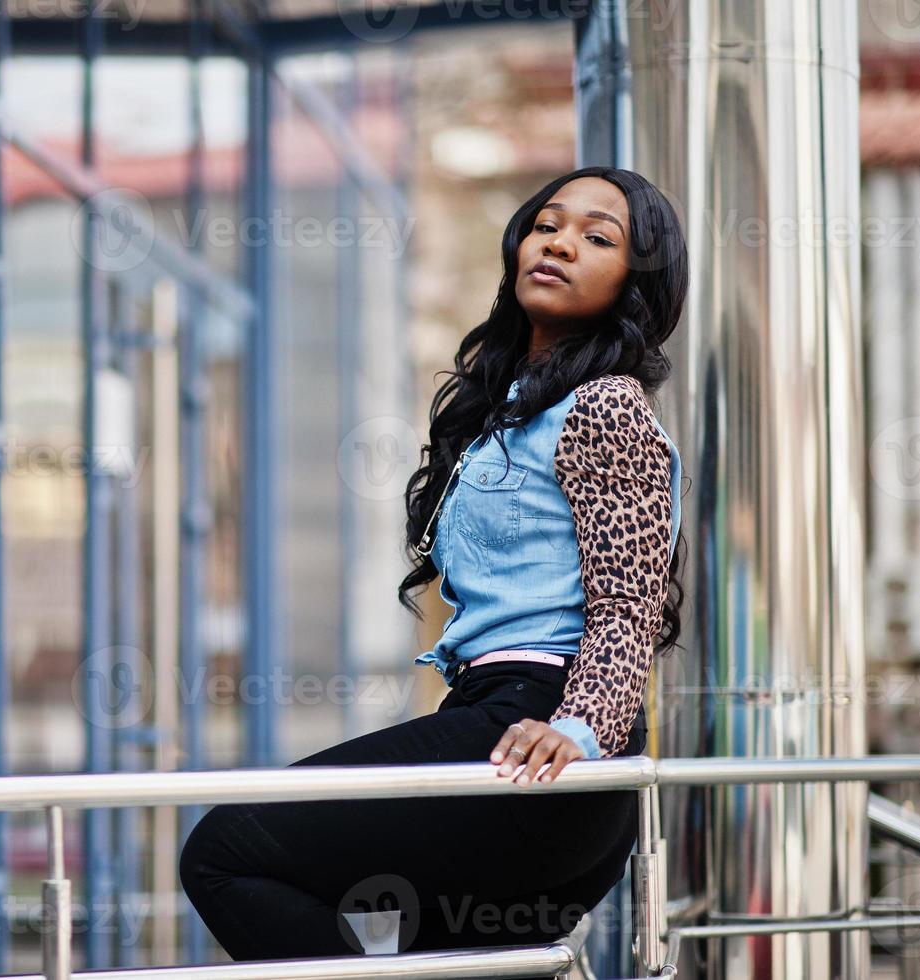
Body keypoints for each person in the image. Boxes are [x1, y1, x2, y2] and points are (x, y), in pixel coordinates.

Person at [178, 166, 688, 973]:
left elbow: (628, 604)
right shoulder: (510, 406)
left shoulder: (604, 404)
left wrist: (576, 729)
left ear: (637, 281)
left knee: (225, 853)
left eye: (598, 238)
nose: (558, 242)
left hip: (543, 736)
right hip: (508, 727)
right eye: (546, 223)